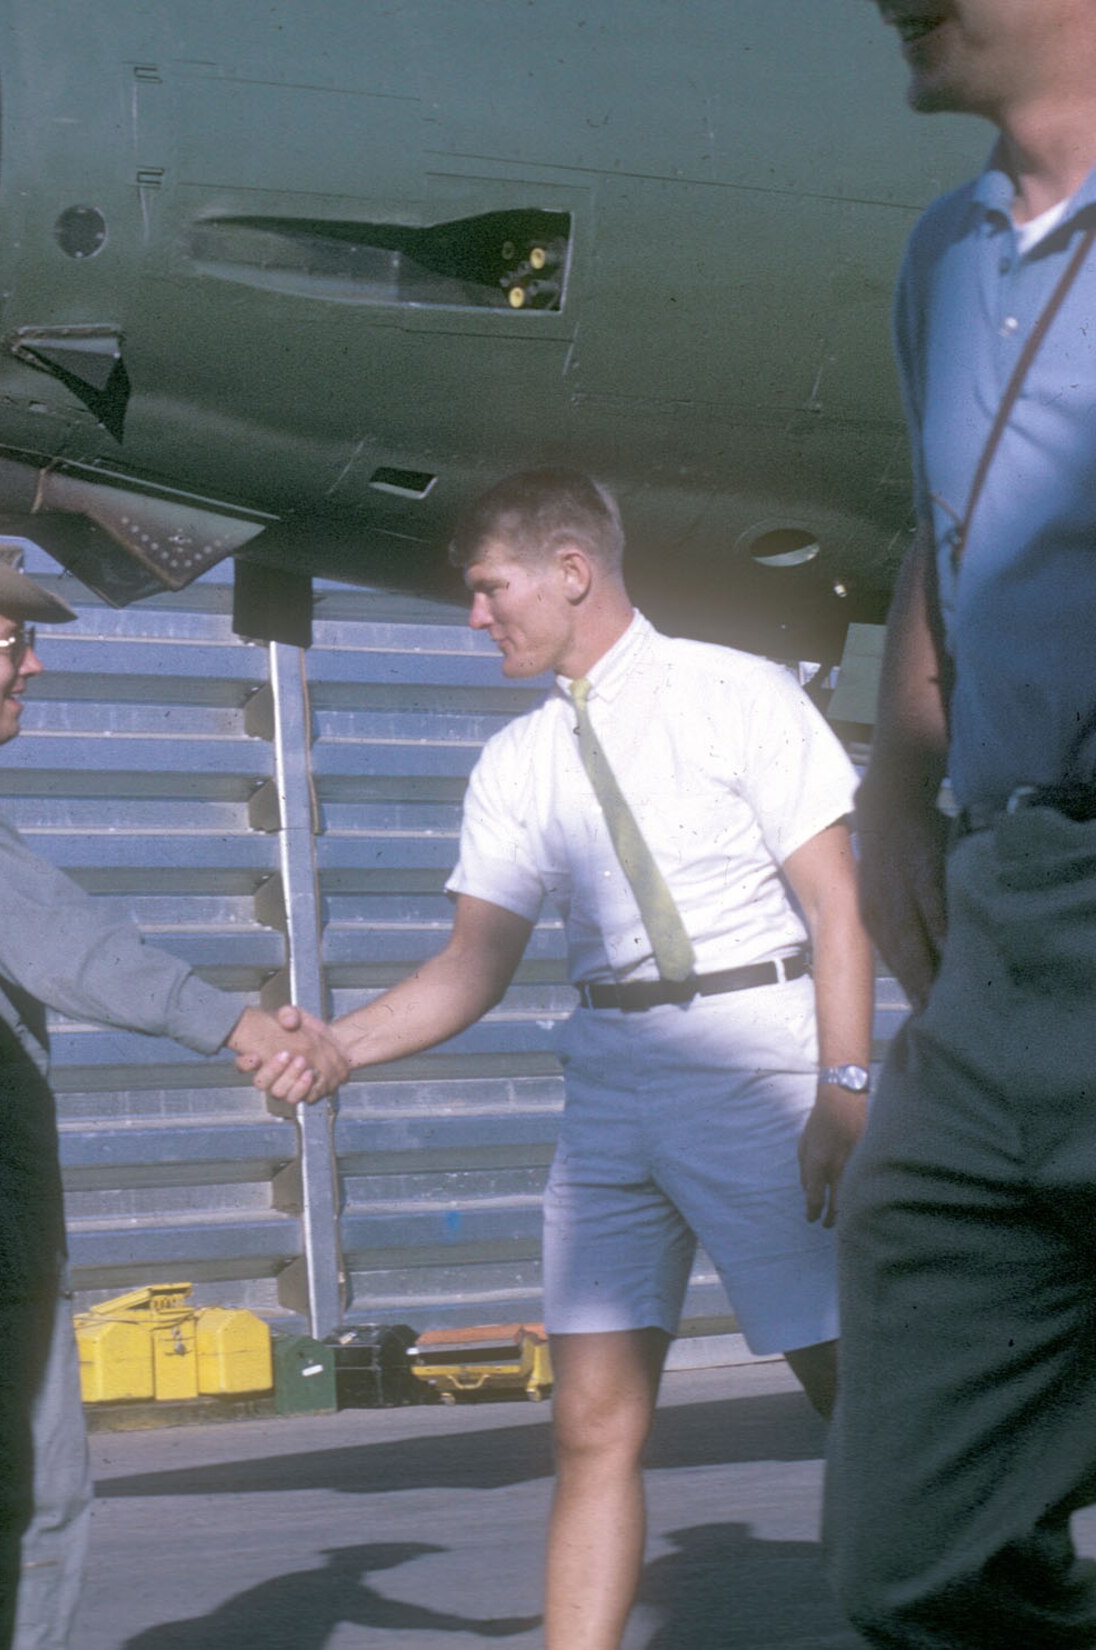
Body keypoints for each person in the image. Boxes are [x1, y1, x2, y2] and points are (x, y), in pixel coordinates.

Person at [259, 468, 873, 1650]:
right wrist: (339, 1046)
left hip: (755, 1065)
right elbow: (471, 964)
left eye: (489, 589)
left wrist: (840, 1090)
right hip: (608, 1087)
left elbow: (837, 907)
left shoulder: (738, 695)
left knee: (857, 1395)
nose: (474, 616)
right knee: (589, 1426)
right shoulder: (515, 763)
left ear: (572, 572)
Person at [0, 535, 348, 1650]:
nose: (31, 667)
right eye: (10, 645)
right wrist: (241, 1024)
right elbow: (66, 944)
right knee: (11, 1480)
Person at [825, 6, 1096, 1643]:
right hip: (1005, 924)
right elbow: (953, 526)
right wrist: (897, 782)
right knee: (915, 1563)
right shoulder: (946, 254)